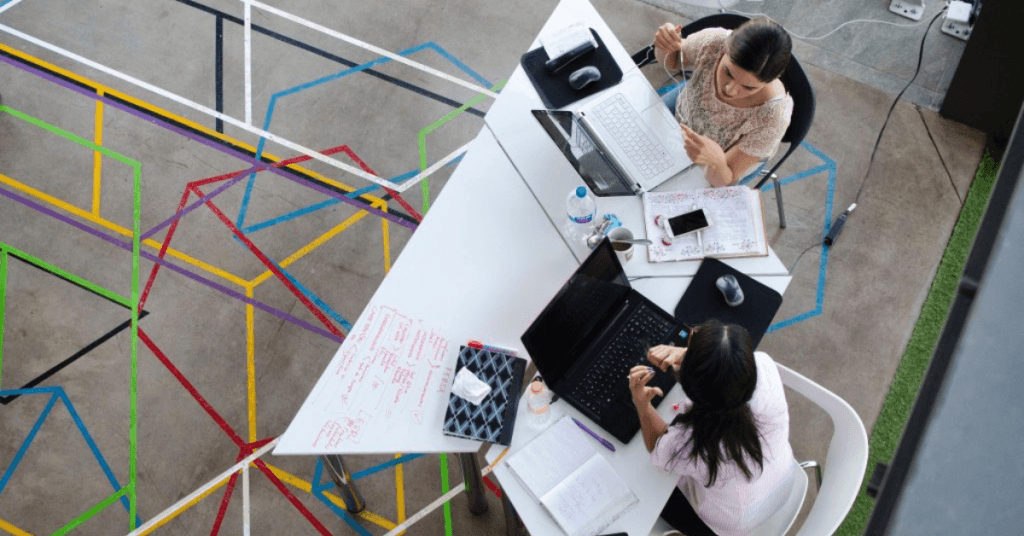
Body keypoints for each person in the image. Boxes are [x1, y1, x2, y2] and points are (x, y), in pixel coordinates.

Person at [628, 320, 794, 536]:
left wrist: (642, 404)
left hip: (728, 525)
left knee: (650, 485)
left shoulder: (691, 444)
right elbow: (728, 374)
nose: (693, 330)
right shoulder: (763, 365)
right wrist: (697, 357)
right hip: (782, 483)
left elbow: (659, 450)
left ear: (690, 390)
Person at [651, 17, 794, 188]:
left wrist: (716, 161)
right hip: (680, 111)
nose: (730, 90)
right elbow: (672, 61)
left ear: (770, 81)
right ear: (724, 49)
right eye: (728, 72)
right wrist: (663, 44)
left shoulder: (773, 117)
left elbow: (723, 181)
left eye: (748, 87)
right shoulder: (713, 43)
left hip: (720, 161)